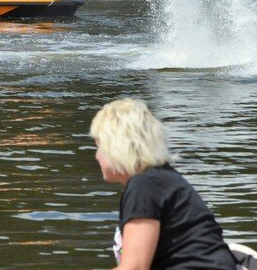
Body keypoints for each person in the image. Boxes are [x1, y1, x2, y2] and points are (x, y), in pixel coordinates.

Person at [89, 98, 236, 269]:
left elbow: (135, 267)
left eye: (99, 146)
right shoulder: (161, 180)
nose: (97, 156)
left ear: (116, 147)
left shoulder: (143, 186)